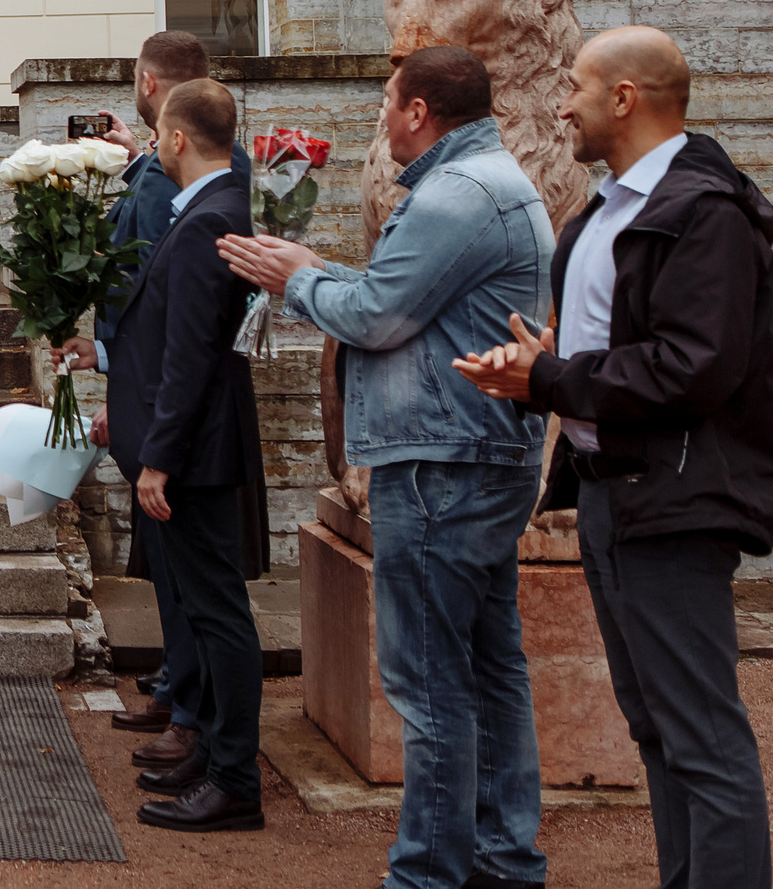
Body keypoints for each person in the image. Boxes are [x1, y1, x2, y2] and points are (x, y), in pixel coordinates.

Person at [455, 27, 773, 889]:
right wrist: (542, 362)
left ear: (625, 98)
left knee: (702, 736)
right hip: (611, 496)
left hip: (676, 498)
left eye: (575, 86)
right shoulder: (606, 209)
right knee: (658, 729)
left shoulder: (705, 212)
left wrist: (552, 376)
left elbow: (695, 366)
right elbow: (620, 346)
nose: (562, 104)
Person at [220, 46, 553, 889]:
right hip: (474, 451)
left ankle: (428, 874)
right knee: (490, 667)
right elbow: (407, 300)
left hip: (443, 462)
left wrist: (298, 281)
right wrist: (316, 271)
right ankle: (504, 857)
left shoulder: (457, 191)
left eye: (386, 106)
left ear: (418, 112)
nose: (380, 121)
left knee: (430, 679)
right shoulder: (486, 180)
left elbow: (376, 315)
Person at [58, 29, 263, 769]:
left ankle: (215, 745)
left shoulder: (204, 206)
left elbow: (182, 337)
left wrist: (140, 425)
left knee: (205, 597)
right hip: (165, 407)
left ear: (152, 88)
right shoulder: (190, 177)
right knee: (191, 587)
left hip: (182, 426)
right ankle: (196, 717)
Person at [105, 79, 265, 833]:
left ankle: (235, 777)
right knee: (203, 609)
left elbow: (192, 353)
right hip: (189, 446)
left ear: (176, 139)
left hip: (194, 455)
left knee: (217, 614)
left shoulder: (210, 219)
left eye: (158, 137)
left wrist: (158, 459)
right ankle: (215, 756)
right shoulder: (211, 207)